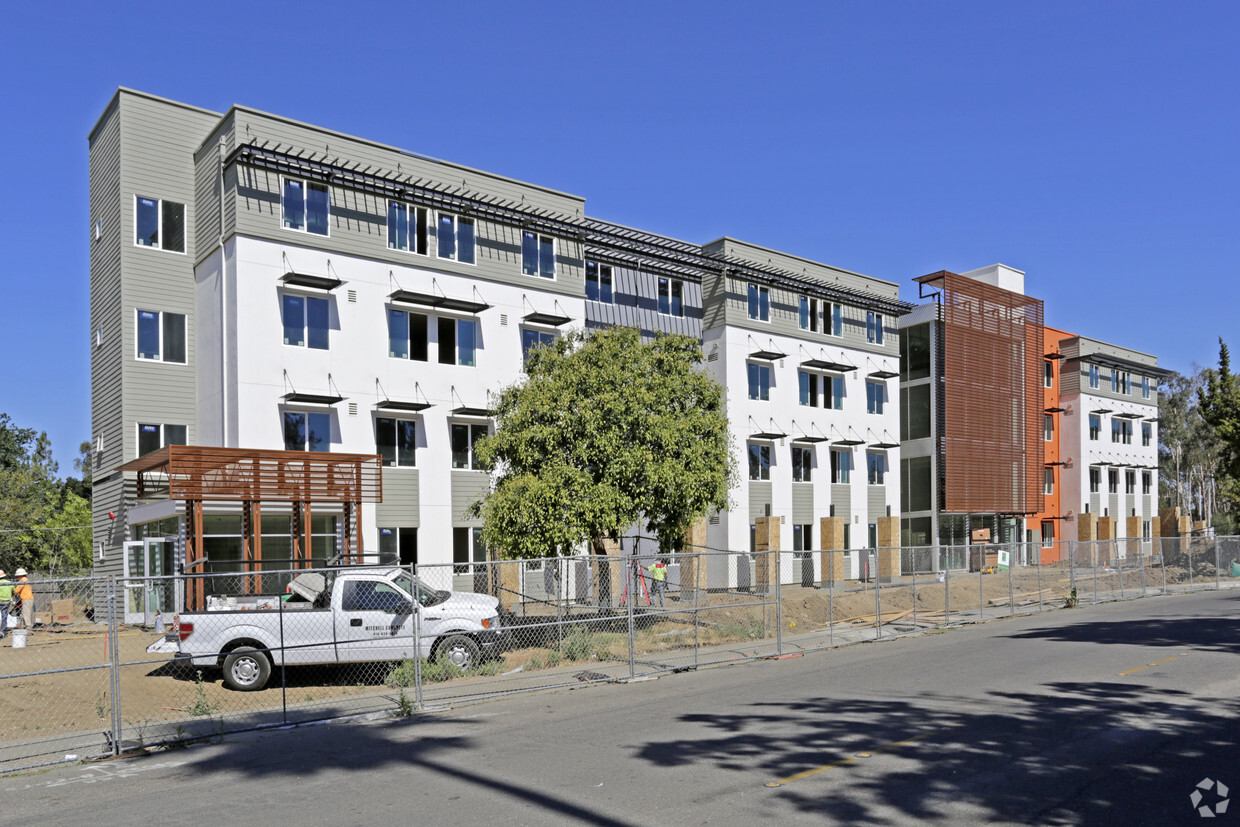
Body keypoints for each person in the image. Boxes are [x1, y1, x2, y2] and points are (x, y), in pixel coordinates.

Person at [0, 570, 12, 640]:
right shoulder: (9, 583)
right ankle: (3, 632)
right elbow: (13, 591)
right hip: (6, 602)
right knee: (4, 617)